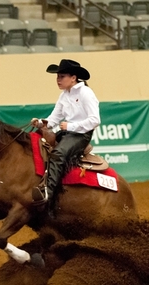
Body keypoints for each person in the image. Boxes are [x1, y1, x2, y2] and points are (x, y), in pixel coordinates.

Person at [31, 59, 101, 211]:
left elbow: (95, 120)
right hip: (67, 133)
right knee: (41, 146)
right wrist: (40, 123)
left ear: (73, 78)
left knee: (57, 154)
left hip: (81, 135)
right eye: (57, 76)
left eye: (61, 76)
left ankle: (47, 197)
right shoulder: (64, 95)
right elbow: (53, 119)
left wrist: (72, 126)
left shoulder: (86, 93)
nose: (58, 80)